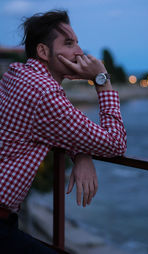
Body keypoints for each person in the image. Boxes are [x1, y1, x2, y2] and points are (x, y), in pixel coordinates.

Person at [0, 10, 127, 254]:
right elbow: (115, 144)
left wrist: (81, 153)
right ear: (43, 52)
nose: (79, 52)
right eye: (69, 44)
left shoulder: (16, 74)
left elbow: (54, 126)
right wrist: (102, 81)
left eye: (77, 43)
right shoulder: (45, 94)